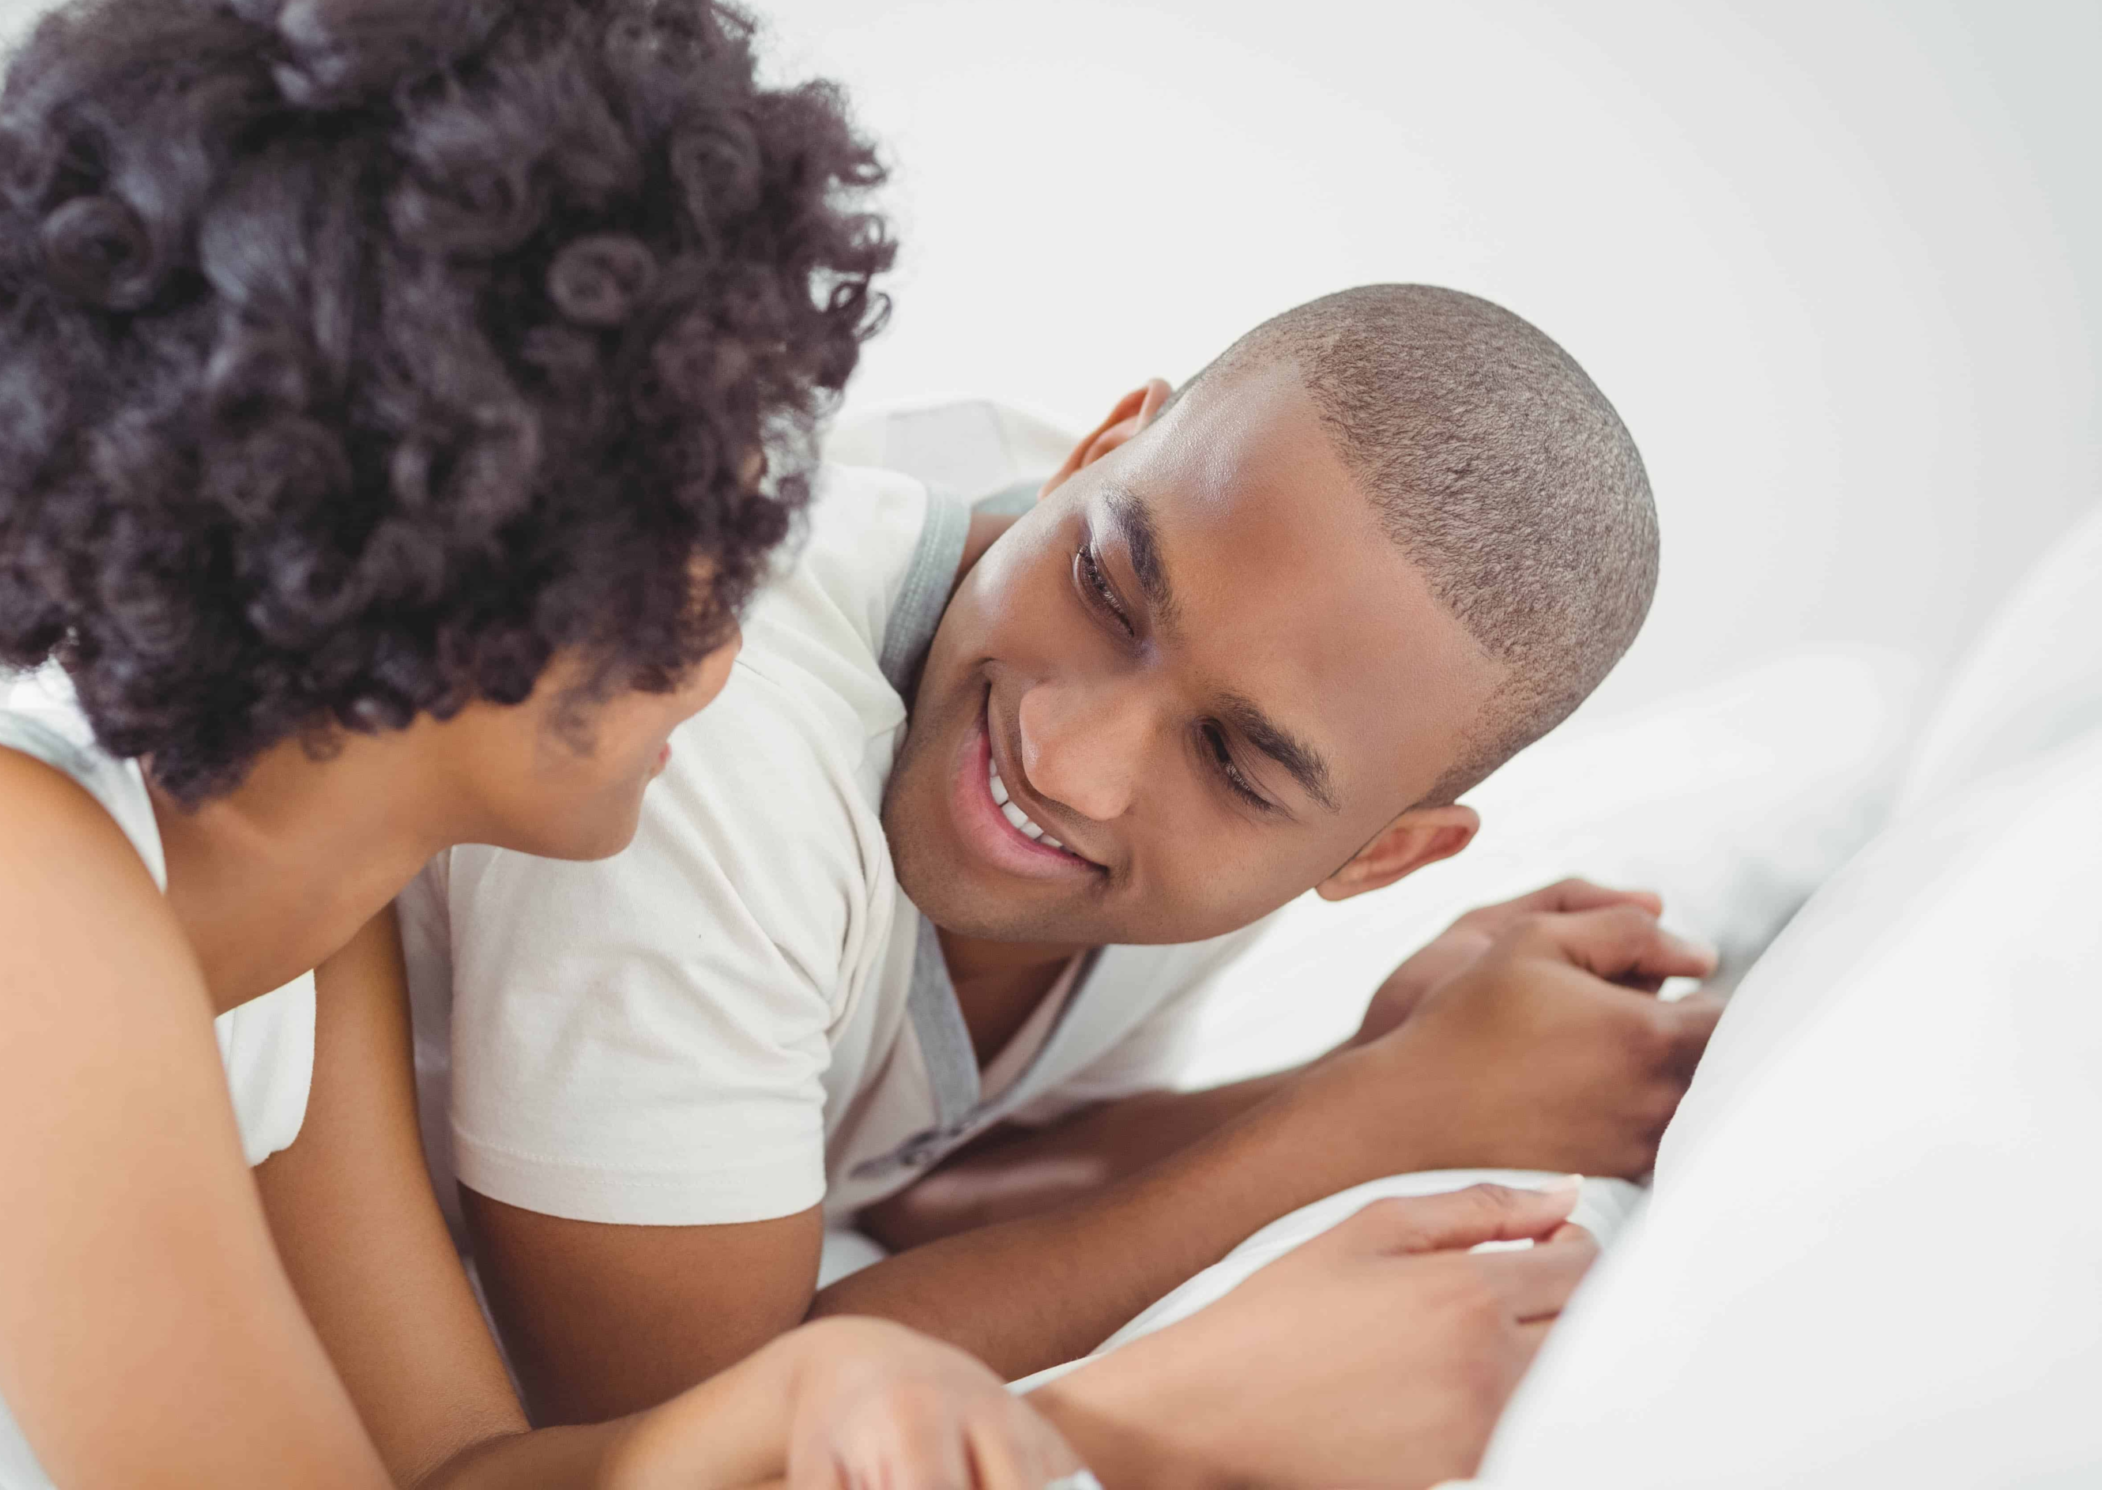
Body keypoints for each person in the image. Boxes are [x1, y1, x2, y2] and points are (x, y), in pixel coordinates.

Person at [0, 0, 1118, 1490]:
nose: (741, 603)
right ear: (463, 548)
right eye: (699, 518)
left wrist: (816, 1387)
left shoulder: (296, 915)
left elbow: (447, 1468)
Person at [400, 283, 1723, 1425]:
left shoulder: (1272, 686)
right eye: (1104, 590)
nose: (1064, 756)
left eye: (1232, 764)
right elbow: (692, 1422)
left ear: (1380, 856)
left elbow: (936, 1183)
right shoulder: (711, 735)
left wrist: (1388, 1065)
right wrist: (1373, 1122)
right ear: (1096, 450)